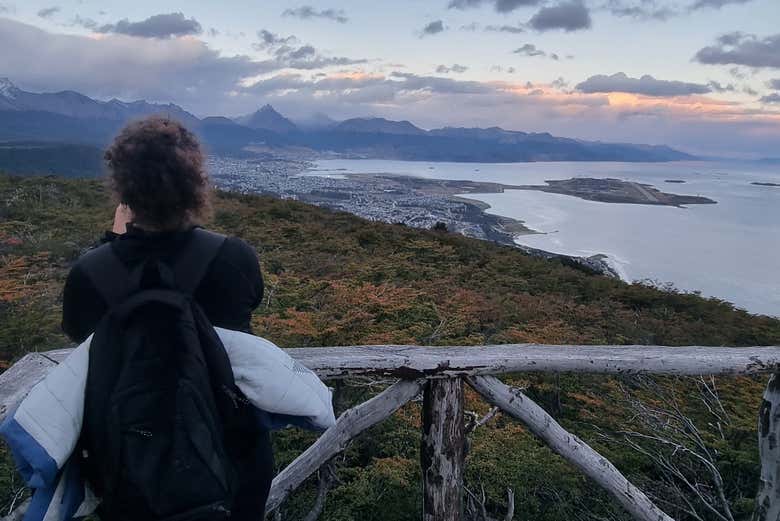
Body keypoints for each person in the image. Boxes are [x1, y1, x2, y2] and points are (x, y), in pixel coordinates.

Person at [61, 115, 273, 520]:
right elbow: (248, 308)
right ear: (196, 183)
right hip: (230, 460)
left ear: (122, 187)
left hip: (129, 463)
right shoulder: (233, 258)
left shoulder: (90, 273)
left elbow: (78, 331)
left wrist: (114, 242)